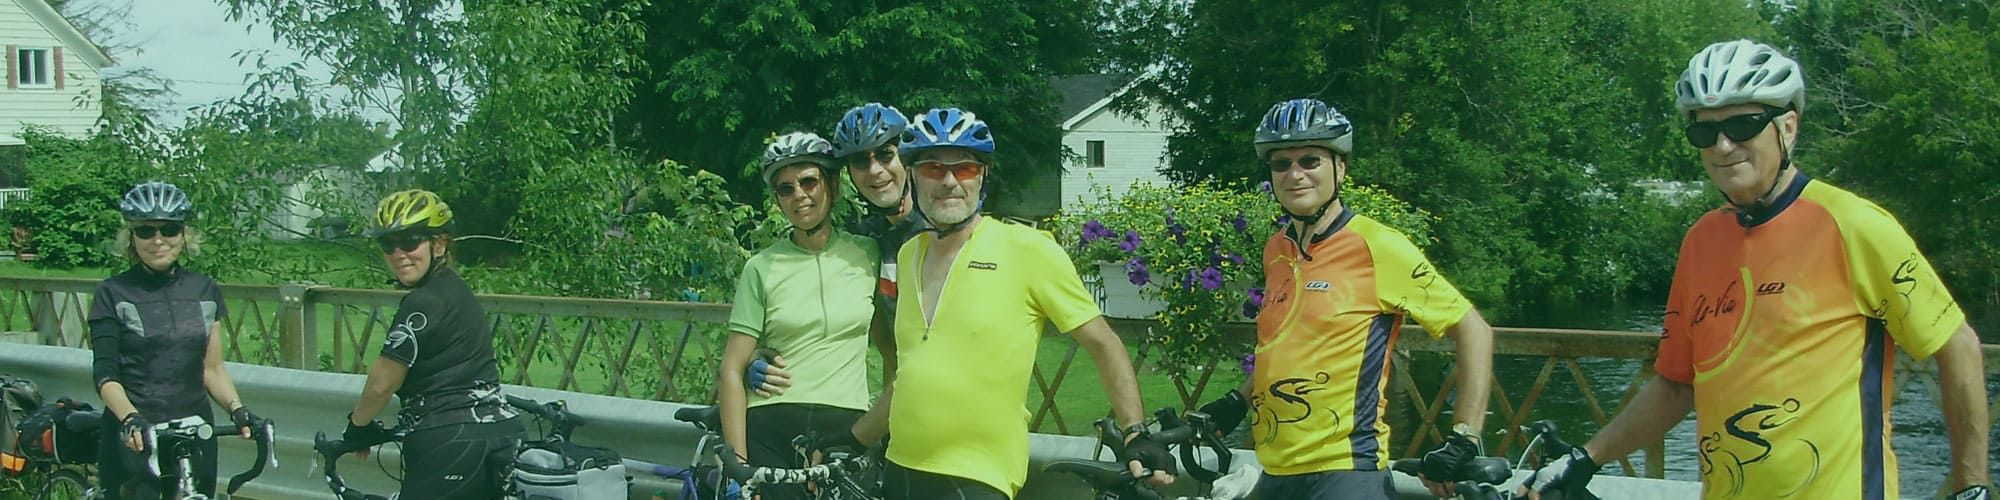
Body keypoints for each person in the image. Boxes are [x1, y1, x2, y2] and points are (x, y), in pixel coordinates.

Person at [1522, 39, 1992, 500]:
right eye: (1705, 132)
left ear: (1787, 127)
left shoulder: (1853, 225)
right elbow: (1676, 384)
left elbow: (1956, 345)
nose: (1723, 146)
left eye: (1742, 125)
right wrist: (1587, 457)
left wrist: (1970, 483)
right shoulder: (1701, 240)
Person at [844, 107, 1175, 499]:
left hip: (978, 476)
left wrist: (1135, 432)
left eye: (965, 168)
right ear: (913, 175)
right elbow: (910, 376)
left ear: (983, 175)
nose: (949, 181)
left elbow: (1104, 344)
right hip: (900, 469)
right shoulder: (908, 254)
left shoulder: (1028, 249)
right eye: (933, 168)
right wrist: (854, 439)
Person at [1191, 98, 1497, 499]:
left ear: (1340, 167)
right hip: (1276, 471)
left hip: (1346, 471)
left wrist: (1464, 437)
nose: (1295, 174)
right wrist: (1238, 400)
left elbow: (1474, 330)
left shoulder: (1377, 246)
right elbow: (1288, 347)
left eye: (1310, 161)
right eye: (1281, 164)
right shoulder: (1277, 250)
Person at [717, 132, 880, 500]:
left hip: (845, 425)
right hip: (773, 423)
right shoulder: (761, 267)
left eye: (809, 182)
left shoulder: (869, 254)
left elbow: (895, 345)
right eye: (786, 189)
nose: (799, 195)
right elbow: (731, 369)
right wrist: (737, 467)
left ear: (833, 186)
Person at [341, 189, 525, 498]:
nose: (398, 253)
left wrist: (358, 427)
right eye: (388, 244)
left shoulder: (422, 304)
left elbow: (381, 384)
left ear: (439, 244)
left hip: (450, 440)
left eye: (410, 241)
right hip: (502, 433)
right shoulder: (457, 292)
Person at [91, 181, 267, 499]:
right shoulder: (112, 293)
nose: (158, 240)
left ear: (184, 235)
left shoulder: (205, 290)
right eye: (146, 231)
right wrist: (130, 417)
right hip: (137, 433)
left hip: (194, 430)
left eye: (169, 230)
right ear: (131, 237)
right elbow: (105, 376)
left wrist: (237, 409)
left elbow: (212, 369)